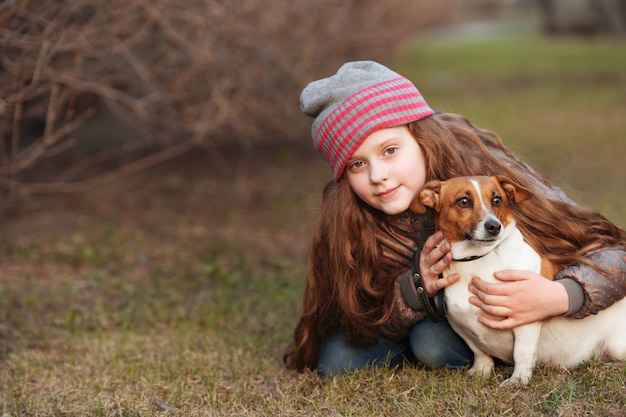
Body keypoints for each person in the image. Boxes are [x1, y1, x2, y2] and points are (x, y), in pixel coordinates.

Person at [284, 61, 626, 377]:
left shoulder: (488, 179)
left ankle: (450, 341)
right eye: (357, 164)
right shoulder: (350, 219)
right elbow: (356, 315)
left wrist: (561, 295)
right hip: (432, 314)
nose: (378, 175)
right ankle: (439, 334)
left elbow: (615, 254)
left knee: (431, 343)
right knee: (336, 360)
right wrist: (416, 289)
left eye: (390, 150)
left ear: (421, 138)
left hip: (480, 312)